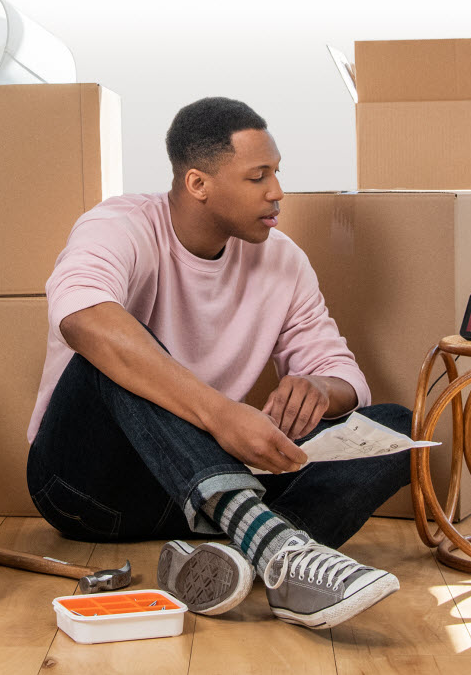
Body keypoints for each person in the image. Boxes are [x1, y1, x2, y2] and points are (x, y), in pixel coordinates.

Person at [25, 97, 412, 630]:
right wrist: (221, 415)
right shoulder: (120, 225)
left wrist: (321, 389)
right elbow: (82, 317)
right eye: (258, 176)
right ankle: (278, 549)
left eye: (277, 173)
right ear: (198, 184)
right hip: (90, 490)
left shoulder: (283, 259)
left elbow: (345, 375)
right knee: (112, 344)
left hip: (206, 493)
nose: (277, 192)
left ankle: (238, 551)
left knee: (395, 425)